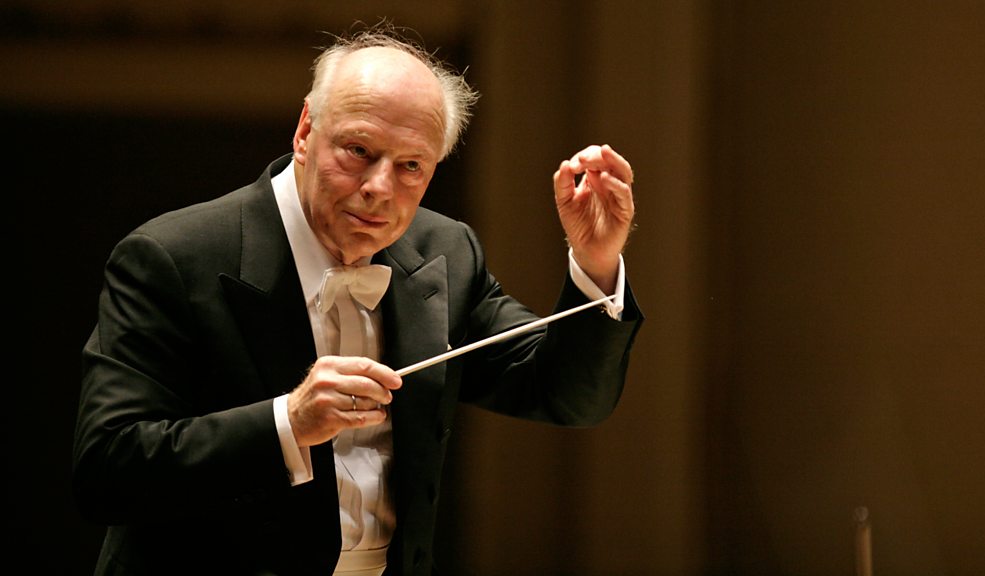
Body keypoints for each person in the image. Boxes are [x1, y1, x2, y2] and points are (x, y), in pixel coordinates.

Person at [72, 24, 643, 576]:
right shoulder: (172, 257)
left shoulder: (444, 252)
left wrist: (596, 261)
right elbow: (106, 470)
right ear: (305, 131)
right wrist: (289, 422)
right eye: (358, 150)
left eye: (411, 166)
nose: (379, 189)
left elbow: (566, 395)